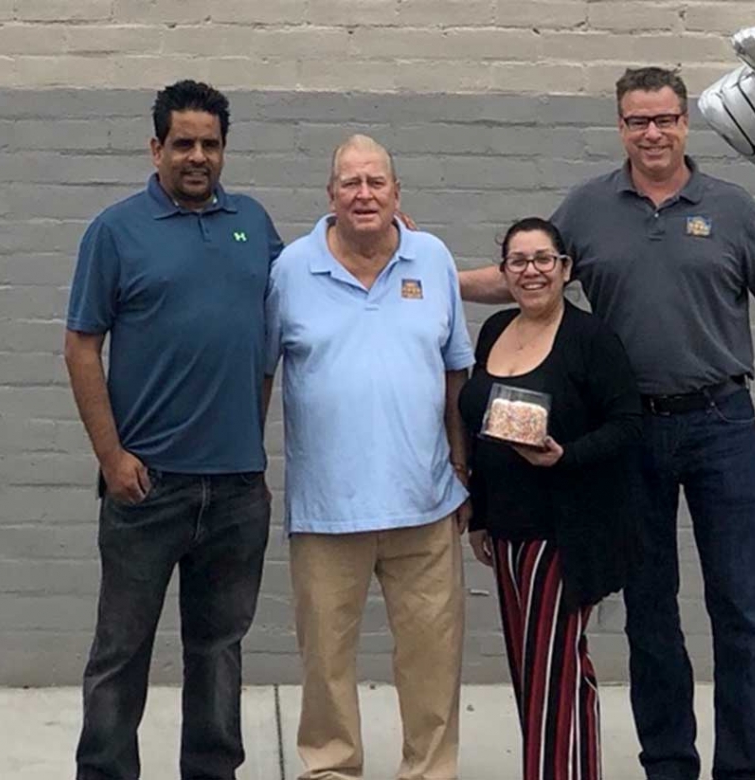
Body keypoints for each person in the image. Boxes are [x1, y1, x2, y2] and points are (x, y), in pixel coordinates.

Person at [459, 67, 755, 780]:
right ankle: (669, 762)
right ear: (620, 126)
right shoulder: (589, 206)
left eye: (664, 118)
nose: (652, 132)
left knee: (742, 607)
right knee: (649, 609)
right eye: (637, 120)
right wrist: (415, 269)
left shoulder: (730, 207)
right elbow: (521, 274)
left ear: (685, 122)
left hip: (722, 424)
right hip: (630, 434)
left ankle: (742, 768)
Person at [64, 80, 283, 780]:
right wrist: (112, 456)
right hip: (146, 486)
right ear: (156, 147)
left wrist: (250, 432)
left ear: (224, 150)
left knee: (218, 650)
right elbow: (81, 346)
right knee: (121, 653)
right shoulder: (115, 231)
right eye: (183, 143)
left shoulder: (254, 224)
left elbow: (271, 338)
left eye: (210, 144)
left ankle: (211, 772)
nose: (197, 156)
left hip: (237, 489)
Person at [264, 134, 474, 780]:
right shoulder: (291, 269)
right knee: (325, 665)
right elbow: (260, 376)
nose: (363, 194)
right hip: (327, 512)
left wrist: (463, 473)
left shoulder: (431, 258)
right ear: (330, 195)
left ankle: (430, 771)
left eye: (375, 182)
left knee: (433, 663)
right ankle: (330, 769)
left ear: (396, 194)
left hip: (425, 506)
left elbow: (455, 378)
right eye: (350, 183)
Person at [459, 217, 644, 780]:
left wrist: (568, 456)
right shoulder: (493, 330)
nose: (531, 272)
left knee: (557, 670)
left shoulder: (591, 338)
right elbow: (480, 428)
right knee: (530, 666)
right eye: (518, 261)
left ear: (564, 270)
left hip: (566, 529)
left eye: (544, 260)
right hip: (508, 530)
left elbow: (628, 424)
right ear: (504, 271)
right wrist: (480, 516)